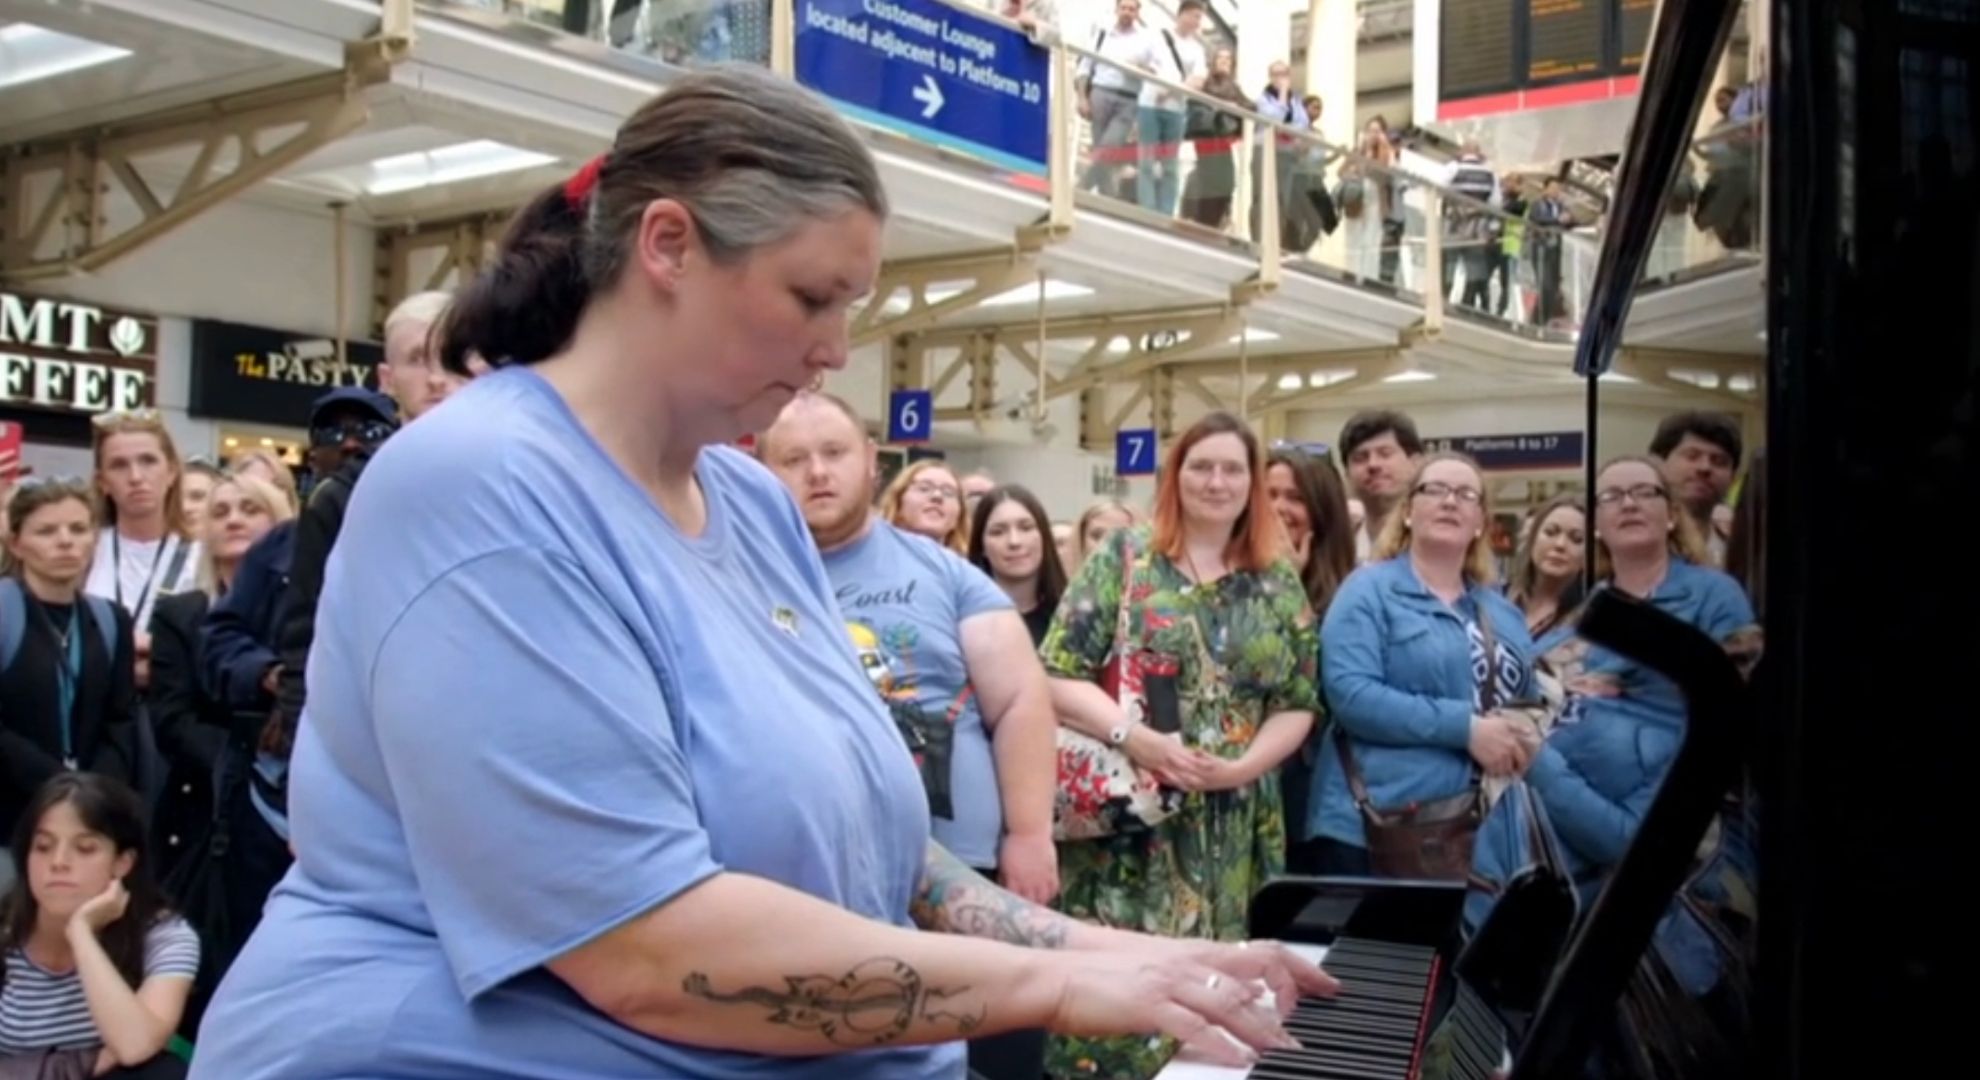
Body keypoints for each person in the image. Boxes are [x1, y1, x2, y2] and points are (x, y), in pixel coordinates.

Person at [191, 67, 1330, 1079]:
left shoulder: (749, 501)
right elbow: (647, 951)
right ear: (669, 245)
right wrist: (1066, 987)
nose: (835, 350)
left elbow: (883, 855)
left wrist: (1133, 955)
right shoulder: (482, 485)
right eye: (810, 297)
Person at [763, 398, 1060, 1080]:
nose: (817, 472)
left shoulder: (944, 573)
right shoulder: (743, 572)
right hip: (812, 881)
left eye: (834, 453)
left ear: (872, 461)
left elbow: (1020, 701)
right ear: (762, 472)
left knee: (994, 1054)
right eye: (793, 459)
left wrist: (1028, 834)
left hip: (964, 869)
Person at [1043, 413, 1320, 1080]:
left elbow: (1298, 701)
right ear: (1175, 476)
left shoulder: (1276, 578)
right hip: (1131, 817)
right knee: (1119, 1001)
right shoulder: (1125, 557)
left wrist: (1242, 768)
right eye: (1201, 467)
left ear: (1252, 483)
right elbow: (1054, 672)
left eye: (1232, 469)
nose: (1216, 482)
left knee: (1220, 1010)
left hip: (1234, 822)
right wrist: (1135, 737)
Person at [1304, 453, 1538, 877]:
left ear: (1481, 522)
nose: (1450, 501)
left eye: (1466, 494)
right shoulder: (1367, 590)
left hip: (1480, 833)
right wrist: (1465, 729)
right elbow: (1352, 695)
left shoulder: (1505, 614)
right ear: (1408, 513)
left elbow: (1530, 702)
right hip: (1376, 828)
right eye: (1435, 490)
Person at [0, 773, 198, 1079]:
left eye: (85, 848)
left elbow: (135, 1045)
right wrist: (77, 1065)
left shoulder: (164, 935)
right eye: (43, 846)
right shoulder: (6, 930)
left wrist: (81, 934)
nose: (59, 862)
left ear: (123, 862)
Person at [147, 474, 293, 882]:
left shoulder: (305, 613)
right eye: (220, 512)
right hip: (204, 810)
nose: (234, 520)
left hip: (291, 807)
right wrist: (241, 765)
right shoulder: (179, 614)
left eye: (250, 509)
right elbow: (173, 719)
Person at [0, 481, 138, 877]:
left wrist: (93, 792)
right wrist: (59, 783)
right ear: (16, 543)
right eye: (46, 531)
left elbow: (121, 718)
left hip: (86, 820)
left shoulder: (111, 619)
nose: (65, 542)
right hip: (9, 817)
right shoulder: (6, 610)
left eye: (78, 529)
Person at [1262, 447, 1355, 873]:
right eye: (1269, 495)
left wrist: (1290, 586)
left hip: (1306, 789)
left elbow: (1316, 683)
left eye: (1295, 497)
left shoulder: (1352, 593)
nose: (1279, 508)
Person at [85, 412, 199, 690]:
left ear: (171, 472)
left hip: (170, 703)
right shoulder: (84, 550)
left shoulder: (202, 556)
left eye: (148, 461)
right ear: (102, 482)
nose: (136, 477)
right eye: (119, 465)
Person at [968, 484, 1069, 646]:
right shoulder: (965, 623)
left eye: (1026, 528)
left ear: (1044, 536)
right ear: (982, 547)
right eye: (998, 532)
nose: (1014, 541)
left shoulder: (1072, 620)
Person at [1649, 411, 1742, 567]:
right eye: (1692, 456)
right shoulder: (1633, 540)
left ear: (1733, 477)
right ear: (1660, 463)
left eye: (1719, 461)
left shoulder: (1738, 550)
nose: (1705, 467)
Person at [1337, 410, 1423, 562]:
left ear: (1415, 463)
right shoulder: (1338, 550)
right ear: (1347, 475)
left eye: (1385, 454)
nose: (1373, 464)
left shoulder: (1436, 540)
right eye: (1360, 458)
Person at [1504, 494, 1586, 638]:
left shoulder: (1591, 618)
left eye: (1576, 539)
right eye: (1550, 532)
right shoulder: (1497, 599)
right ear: (1532, 539)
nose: (1560, 544)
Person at [879, 459, 970, 555]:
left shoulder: (965, 564)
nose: (937, 496)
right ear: (898, 502)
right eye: (924, 488)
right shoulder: (875, 556)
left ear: (958, 518)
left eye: (948, 493)